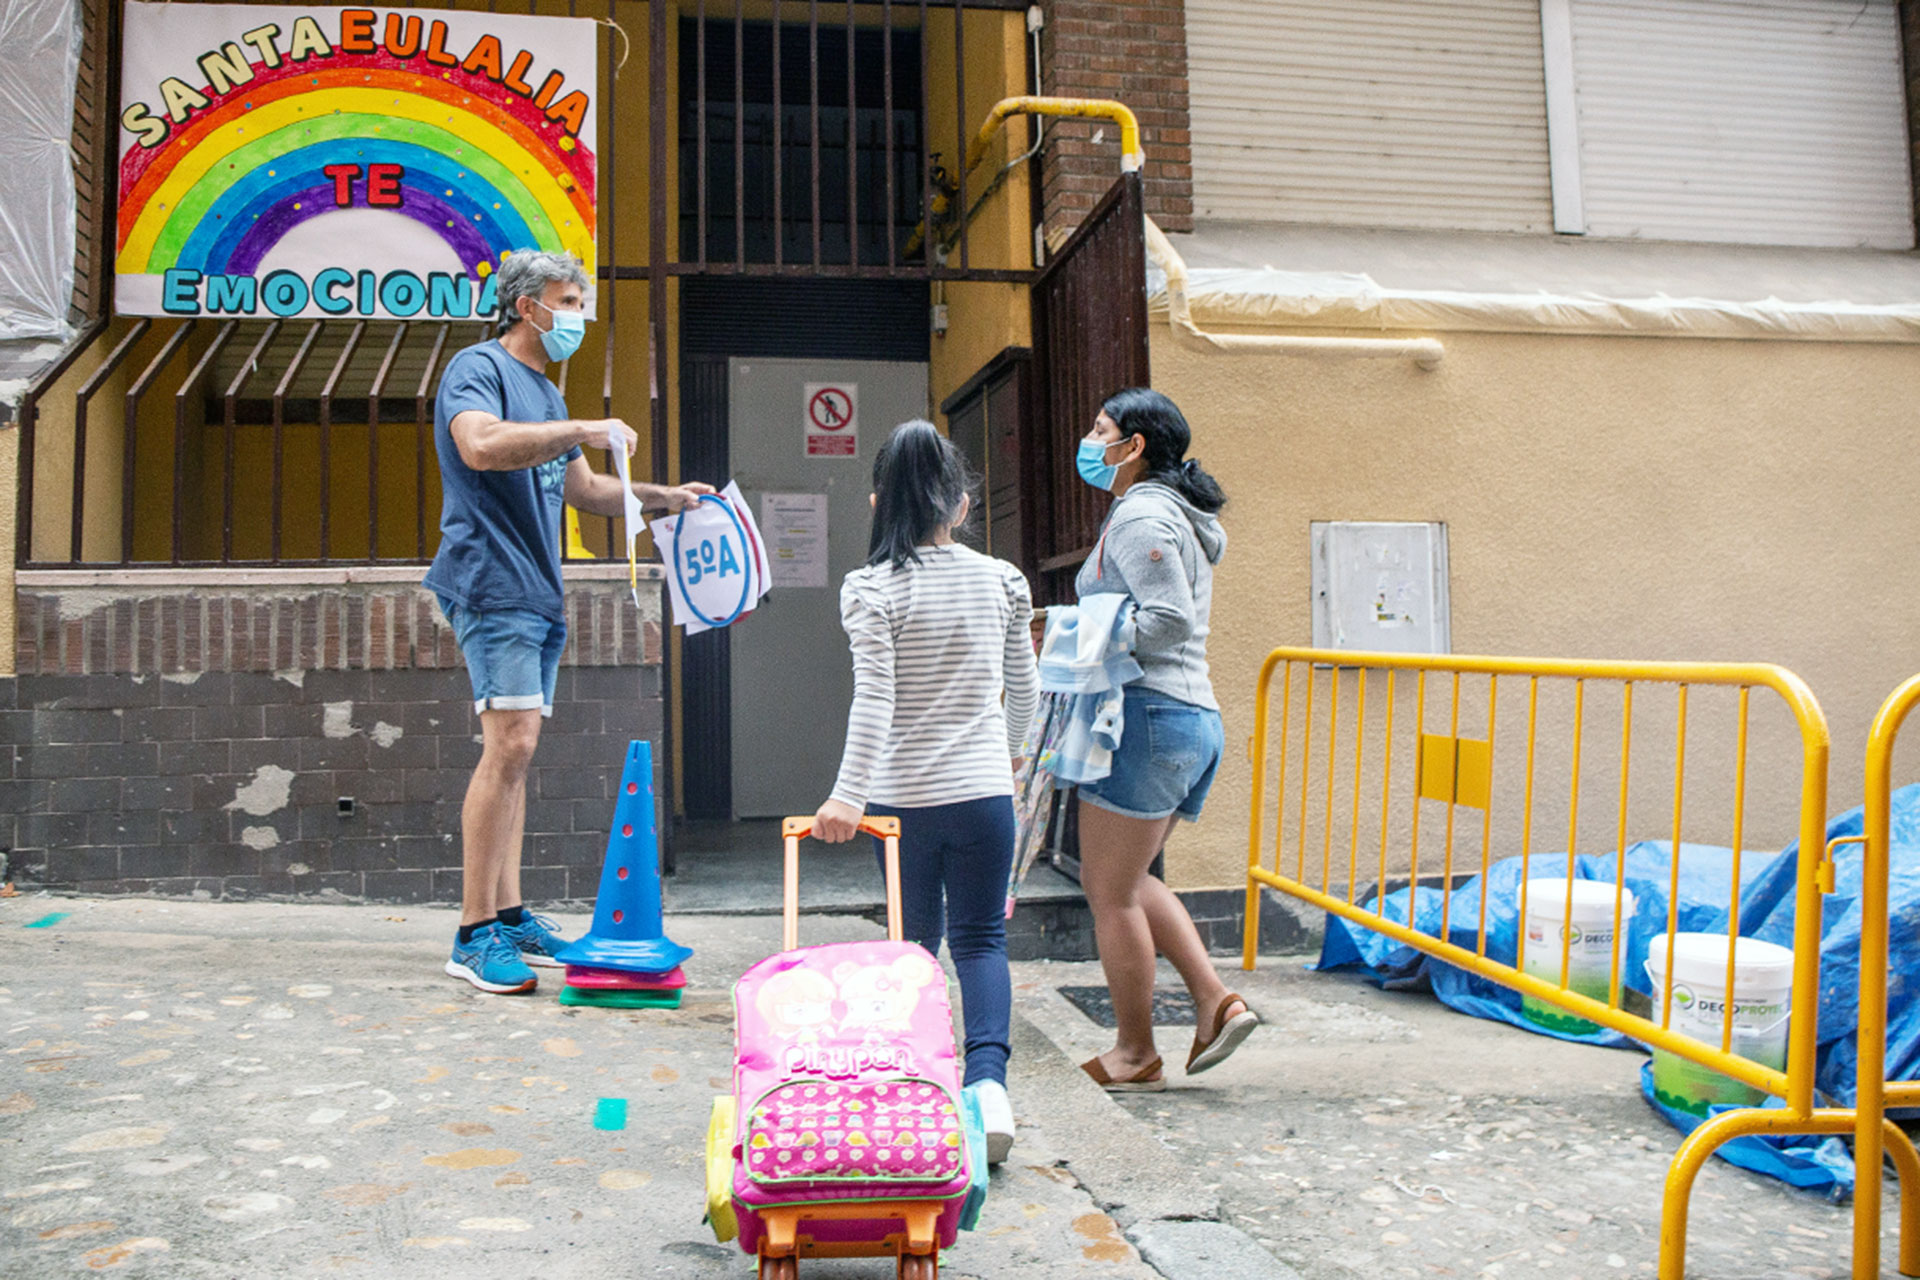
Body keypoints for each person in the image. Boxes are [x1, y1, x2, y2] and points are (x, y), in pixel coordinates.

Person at [425, 250, 712, 995]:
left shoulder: (546, 395)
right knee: (510, 745)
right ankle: (472, 933)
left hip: (535, 588)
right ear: (528, 306)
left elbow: (582, 489)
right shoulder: (478, 369)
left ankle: (511, 913)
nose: (578, 316)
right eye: (569, 301)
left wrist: (661, 497)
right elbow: (479, 445)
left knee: (518, 752)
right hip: (490, 582)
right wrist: (583, 425)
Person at [812, 420, 1038, 1164]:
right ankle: (989, 1088)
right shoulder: (1003, 579)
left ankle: (917, 1081)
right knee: (982, 940)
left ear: (880, 502)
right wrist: (1010, 766)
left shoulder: (870, 588)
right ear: (963, 506)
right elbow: (1024, 690)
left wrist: (848, 796)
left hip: (901, 805)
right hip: (983, 797)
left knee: (912, 945)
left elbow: (873, 699)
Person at [1071, 387, 1258, 1092]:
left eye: (1100, 430)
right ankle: (1215, 1002)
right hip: (1186, 720)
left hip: (1147, 717)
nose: (1090, 442)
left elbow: (1167, 619)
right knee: (1132, 879)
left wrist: (1076, 633)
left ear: (1135, 445)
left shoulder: (1140, 513)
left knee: (1107, 891)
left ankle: (1134, 1051)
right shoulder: (1176, 513)